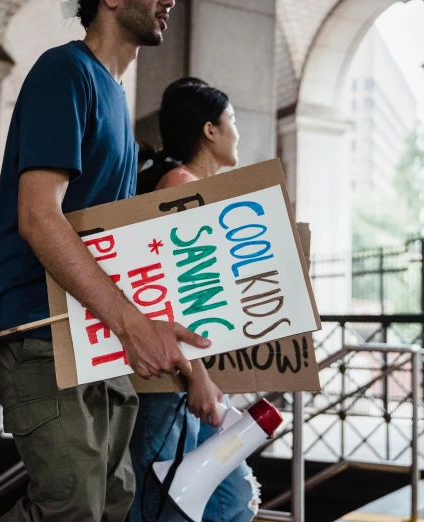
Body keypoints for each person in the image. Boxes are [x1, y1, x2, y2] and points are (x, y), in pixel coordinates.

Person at [0, 2, 212, 521]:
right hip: (37, 325)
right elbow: (39, 216)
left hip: (91, 334)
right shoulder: (65, 72)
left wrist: (147, 322)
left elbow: (110, 246)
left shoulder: (115, 99)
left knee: (114, 503)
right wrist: (131, 324)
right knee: (71, 507)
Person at [129, 79, 260, 522]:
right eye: (233, 122)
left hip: (186, 381)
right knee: (164, 506)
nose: (237, 132)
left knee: (230, 500)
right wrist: (198, 376)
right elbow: (167, 291)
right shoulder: (179, 185)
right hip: (172, 381)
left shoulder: (191, 187)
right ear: (210, 130)